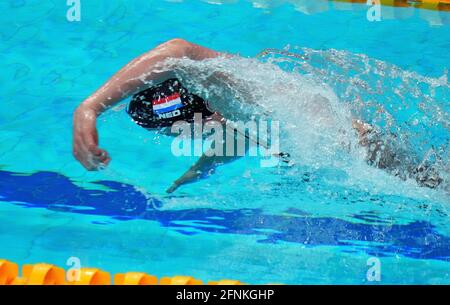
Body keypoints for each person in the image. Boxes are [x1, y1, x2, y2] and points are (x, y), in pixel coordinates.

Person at [73, 38, 442, 192]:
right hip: (367, 164)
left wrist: (89, 109)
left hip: (376, 157)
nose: (189, 137)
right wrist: (191, 177)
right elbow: (233, 142)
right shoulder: (240, 114)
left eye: (182, 132)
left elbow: (177, 50)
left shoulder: (234, 90)